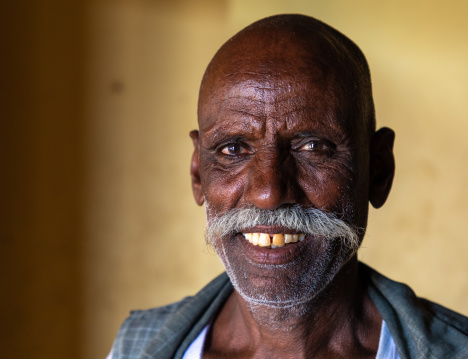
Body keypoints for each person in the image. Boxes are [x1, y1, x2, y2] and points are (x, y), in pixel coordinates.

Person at [108, 14, 468, 358]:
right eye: (233, 149)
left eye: (313, 147)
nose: (268, 193)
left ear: (378, 170)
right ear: (198, 174)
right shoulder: (136, 347)